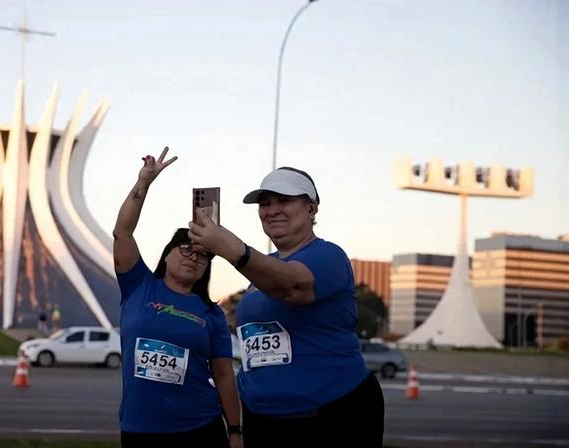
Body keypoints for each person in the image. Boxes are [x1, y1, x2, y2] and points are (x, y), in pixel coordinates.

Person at [188, 166, 385, 447]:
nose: (272, 210)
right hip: (263, 418)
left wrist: (232, 249)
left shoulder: (328, 255)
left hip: (330, 412)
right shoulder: (262, 266)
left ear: (312, 208)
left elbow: (293, 287)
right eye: (265, 203)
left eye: (284, 200)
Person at [113, 147, 242, 448]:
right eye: (185, 249)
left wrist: (235, 431)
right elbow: (123, 232)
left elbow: (223, 375)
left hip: (199, 427)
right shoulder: (138, 286)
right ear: (167, 254)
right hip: (139, 428)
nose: (192, 257)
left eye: (202, 255)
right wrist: (143, 184)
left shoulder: (211, 314)